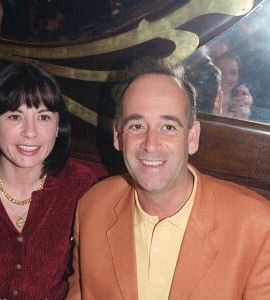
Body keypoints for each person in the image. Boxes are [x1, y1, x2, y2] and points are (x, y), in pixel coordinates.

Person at [67, 57, 270, 300]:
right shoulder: (93, 207)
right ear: (118, 137)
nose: (151, 145)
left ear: (192, 137)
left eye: (169, 127)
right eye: (137, 126)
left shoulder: (257, 226)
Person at [0, 62, 97, 299]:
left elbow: (91, 276)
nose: (30, 132)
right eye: (15, 116)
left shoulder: (81, 186)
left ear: (58, 126)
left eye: (44, 117)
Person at [214, 51, 253, 120]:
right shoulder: (201, 101)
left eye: (233, 73)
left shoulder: (242, 103)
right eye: (222, 71)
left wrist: (244, 118)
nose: (227, 77)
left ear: (238, 77)